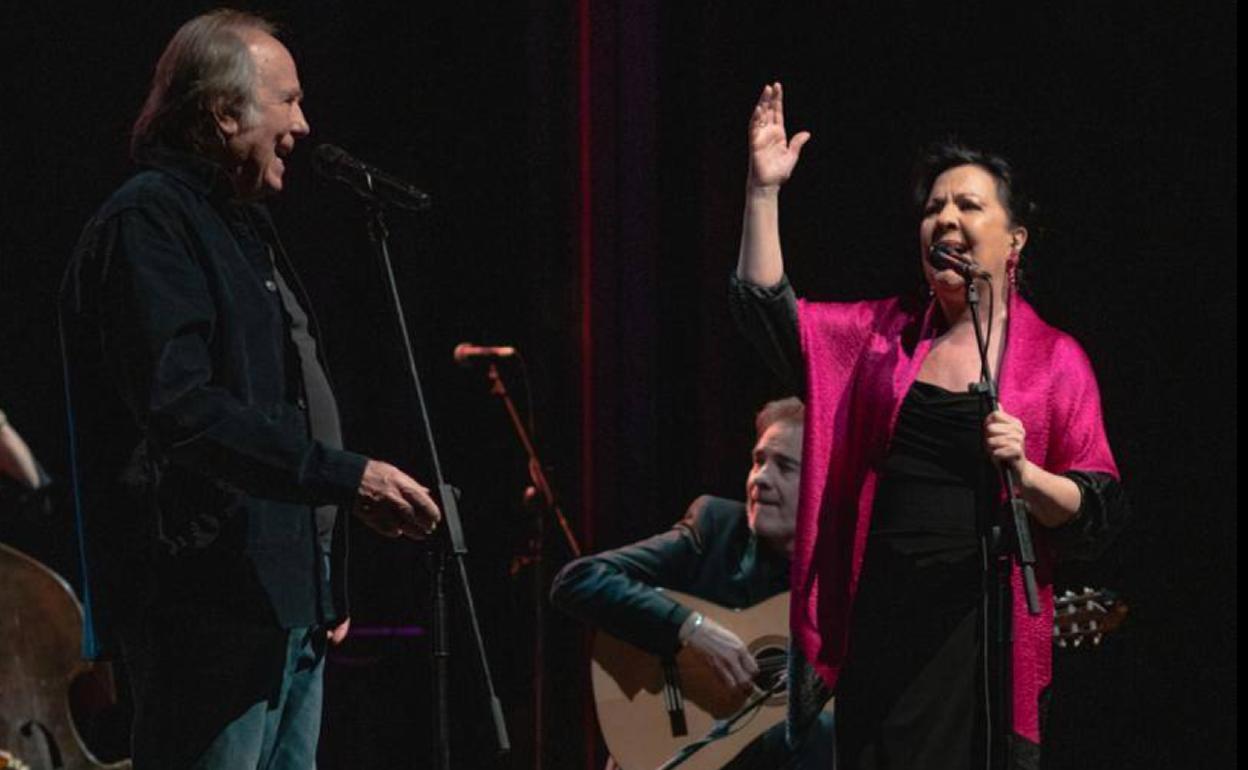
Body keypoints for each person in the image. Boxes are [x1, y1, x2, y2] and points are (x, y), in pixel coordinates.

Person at [59, 11, 441, 769]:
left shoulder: (241, 229)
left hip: (282, 603)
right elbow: (186, 411)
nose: (303, 123)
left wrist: (319, 574)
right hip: (208, 604)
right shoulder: (151, 221)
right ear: (224, 111)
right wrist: (347, 478)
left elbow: (283, 408)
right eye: (288, 100)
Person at [729, 83, 1128, 769]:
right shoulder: (881, 338)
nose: (944, 217)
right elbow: (770, 313)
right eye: (934, 207)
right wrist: (762, 193)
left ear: (1015, 241)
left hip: (978, 641)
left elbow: (1097, 508)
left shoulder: (1055, 361)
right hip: (881, 631)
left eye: (968, 205)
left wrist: (1029, 477)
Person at [550, 397, 835, 769]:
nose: (760, 479)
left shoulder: (844, 580)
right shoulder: (717, 528)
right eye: (758, 461)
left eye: (784, 467)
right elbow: (578, 580)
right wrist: (691, 628)